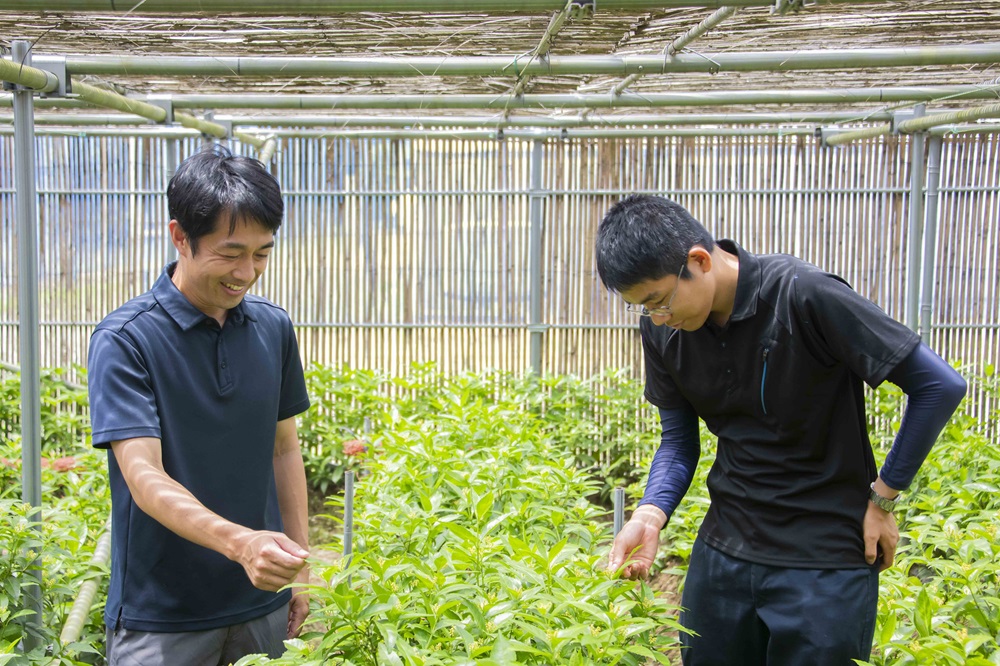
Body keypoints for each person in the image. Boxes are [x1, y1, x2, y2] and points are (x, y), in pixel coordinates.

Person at [597, 195, 967, 666]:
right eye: (643, 309)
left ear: (699, 261)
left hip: (825, 563)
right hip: (724, 555)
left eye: (659, 301)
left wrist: (884, 497)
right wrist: (650, 513)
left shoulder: (804, 295)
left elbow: (938, 385)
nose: (657, 318)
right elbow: (678, 439)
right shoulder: (665, 331)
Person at [88, 146, 312, 665]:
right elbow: (144, 474)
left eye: (262, 253)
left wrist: (301, 571)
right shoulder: (126, 340)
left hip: (261, 605)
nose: (247, 272)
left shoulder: (273, 328)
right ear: (179, 237)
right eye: (230, 252)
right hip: (162, 617)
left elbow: (284, 450)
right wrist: (240, 545)